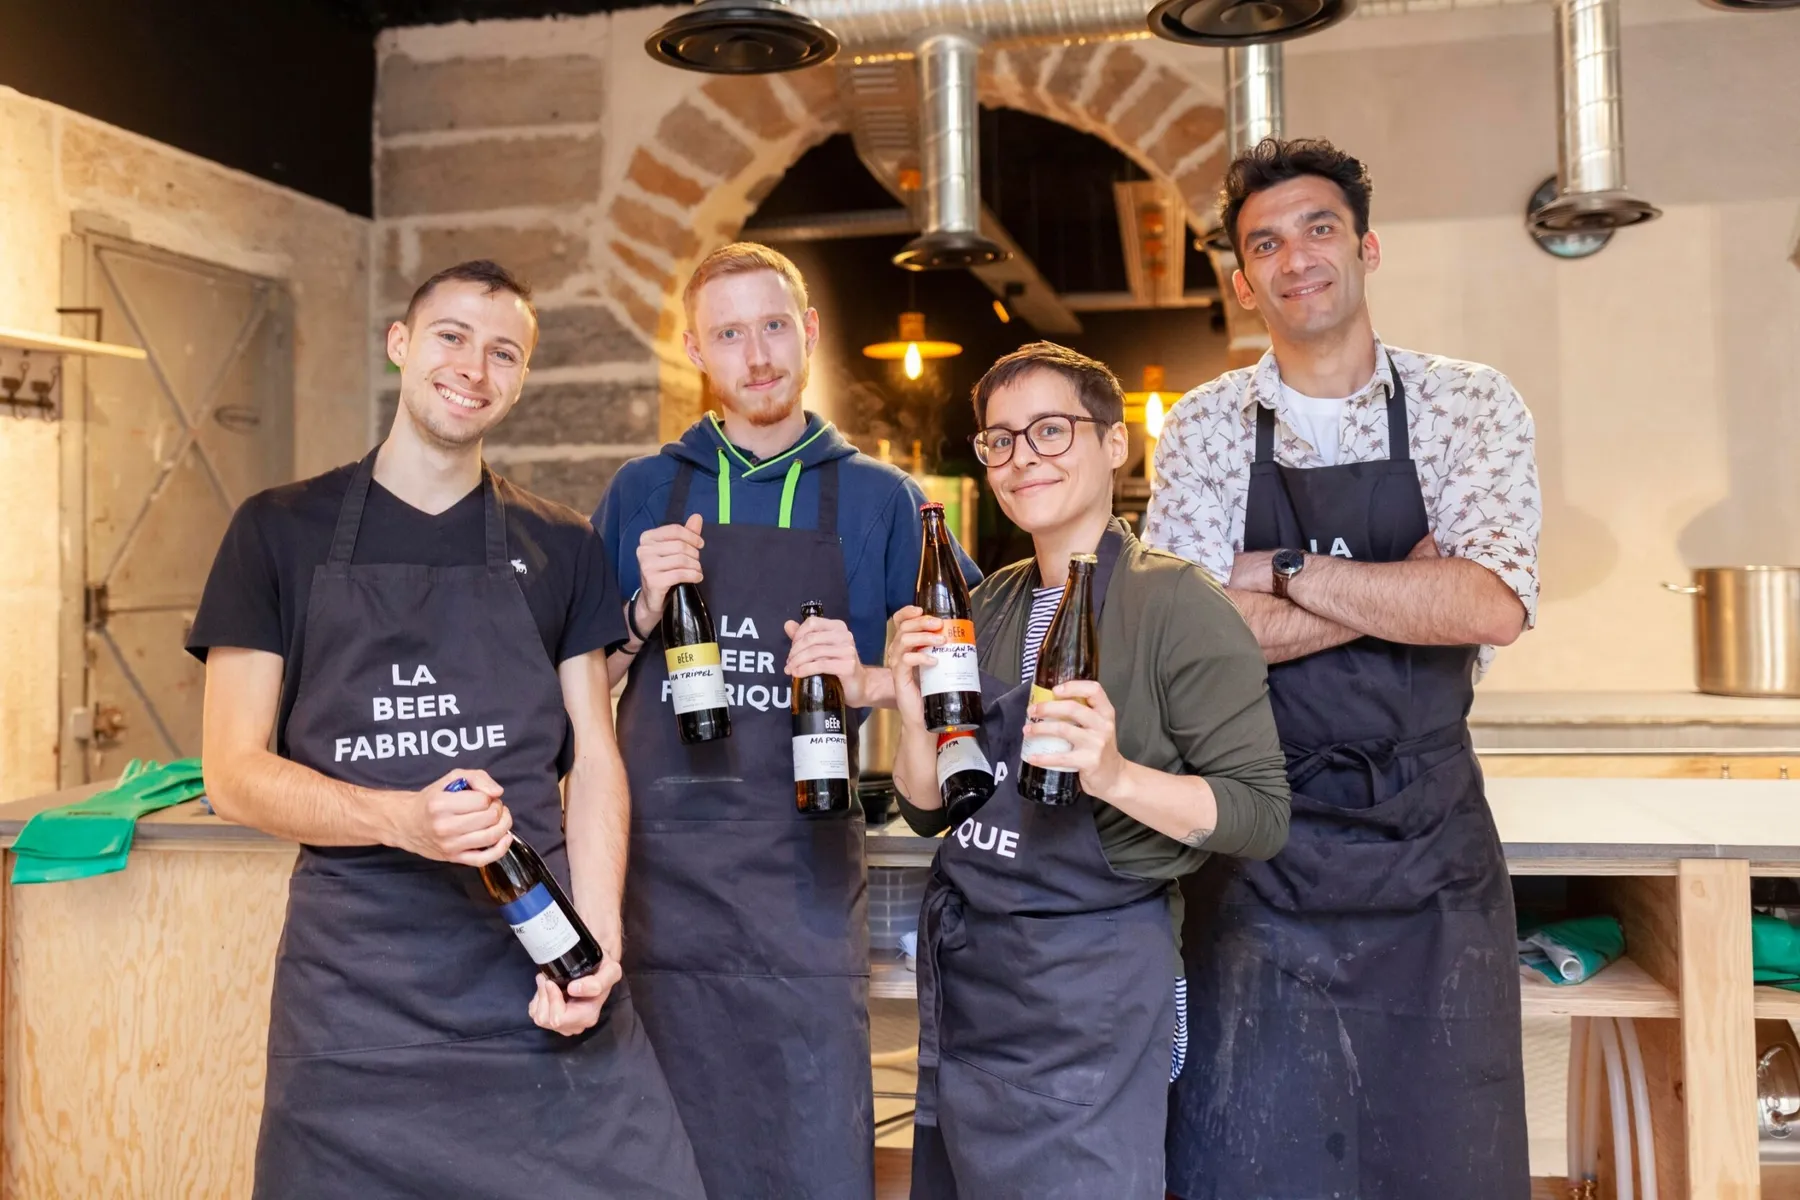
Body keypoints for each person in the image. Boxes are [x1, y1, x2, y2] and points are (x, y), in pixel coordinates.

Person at [190, 260, 704, 1198]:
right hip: (358, 992)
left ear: (519, 379)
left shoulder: (562, 545)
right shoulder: (279, 532)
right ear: (401, 345)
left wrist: (597, 946)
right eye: (452, 336)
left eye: (504, 351)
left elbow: (593, 759)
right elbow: (231, 771)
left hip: (533, 967)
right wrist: (402, 821)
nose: (475, 366)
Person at [1150, 138, 1542, 1199]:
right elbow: (1185, 644)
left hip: (1432, 850)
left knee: (1446, 1156)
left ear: (1365, 246)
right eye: (1265, 243)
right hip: (1255, 841)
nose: (1296, 258)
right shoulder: (1202, 427)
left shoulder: (1472, 404)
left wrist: (1279, 571)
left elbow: (1490, 604)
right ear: (1242, 279)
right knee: (1247, 1155)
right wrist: (1399, 595)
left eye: (1319, 229)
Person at [593, 242, 978, 1200]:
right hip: (656, 876)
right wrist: (641, 612)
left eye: (773, 327)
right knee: (654, 1143)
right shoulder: (644, 490)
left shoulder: (883, 499)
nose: (756, 355)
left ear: (806, 334)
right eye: (729, 334)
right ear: (696, 350)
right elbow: (580, 682)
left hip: (800, 879)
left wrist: (874, 683)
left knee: (809, 1139)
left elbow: (967, 670)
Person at [884, 342, 1292, 1199]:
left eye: (1050, 430)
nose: (1022, 455)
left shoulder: (1179, 604)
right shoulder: (986, 600)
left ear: (1115, 446)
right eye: (1000, 440)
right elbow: (929, 809)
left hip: (1089, 989)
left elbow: (1259, 814)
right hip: (974, 975)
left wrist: (1112, 774)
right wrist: (905, 696)